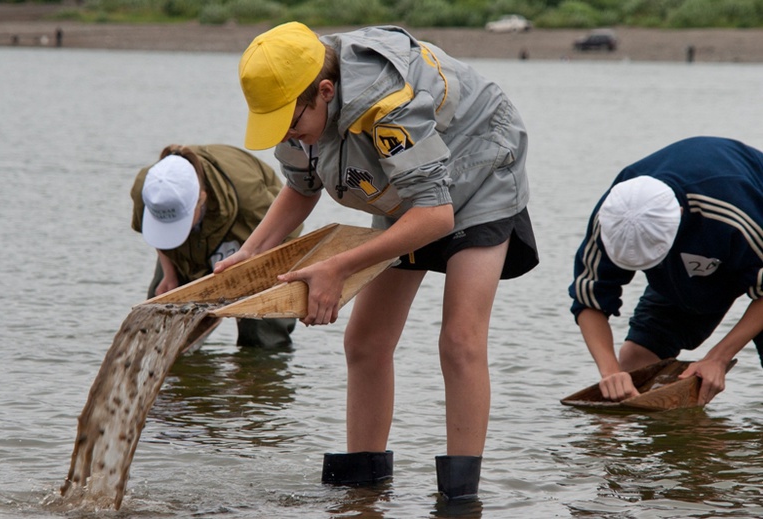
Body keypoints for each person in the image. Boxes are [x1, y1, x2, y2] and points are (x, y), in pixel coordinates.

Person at [213, 22, 539, 499]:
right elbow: (303, 186)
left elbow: (435, 215)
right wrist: (251, 252)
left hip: (480, 168)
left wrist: (339, 267)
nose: (288, 134)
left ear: (325, 91)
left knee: (460, 340)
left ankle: (459, 499)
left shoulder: (388, 106)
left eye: (292, 122)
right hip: (406, 187)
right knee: (364, 341)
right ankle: (362, 495)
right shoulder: (299, 106)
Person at [569, 136, 763, 406]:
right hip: (688, 267)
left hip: (740, 233)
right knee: (636, 362)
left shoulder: (732, 214)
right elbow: (589, 299)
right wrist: (610, 372)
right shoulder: (614, 213)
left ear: (680, 216)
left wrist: (717, 359)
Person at [131, 144, 302, 347]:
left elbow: (288, 232)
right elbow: (159, 237)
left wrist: (248, 286)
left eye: (179, 222)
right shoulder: (149, 187)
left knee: (263, 329)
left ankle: (258, 372)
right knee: (159, 319)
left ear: (201, 198)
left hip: (248, 240)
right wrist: (169, 274)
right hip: (184, 250)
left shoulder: (250, 198)